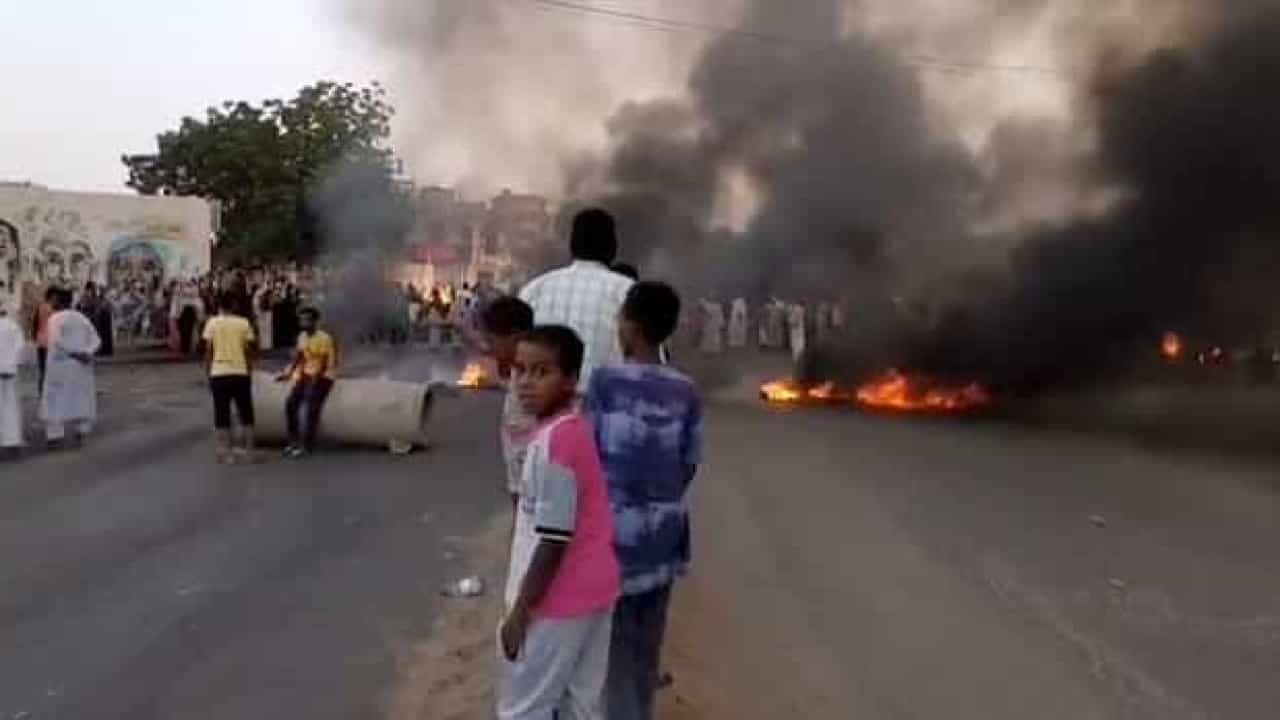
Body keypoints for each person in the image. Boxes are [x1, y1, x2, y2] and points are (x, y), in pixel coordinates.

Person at [585, 282, 702, 720]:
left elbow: (588, 454)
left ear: (630, 328)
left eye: (620, 320)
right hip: (664, 536)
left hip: (613, 537)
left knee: (612, 655)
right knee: (646, 649)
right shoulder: (685, 390)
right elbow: (689, 462)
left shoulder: (606, 381)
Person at [497, 325, 619, 720]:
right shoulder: (571, 429)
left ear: (569, 379)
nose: (527, 383)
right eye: (520, 370)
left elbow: (553, 539)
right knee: (581, 705)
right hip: (595, 591)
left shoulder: (555, 443)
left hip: (556, 602)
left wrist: (520, 614)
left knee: (523, 708)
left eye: (542, 372)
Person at [519, 208, 634, 392]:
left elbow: (516, 359)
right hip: (602, 409)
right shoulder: (627, 292)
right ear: (612, 246)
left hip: (542, 411)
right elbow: (650, 363)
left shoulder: (534, 289)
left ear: (572, 244)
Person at [481, 297, 538, 513]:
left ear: (515, 337)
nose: (489, 347)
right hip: (519, 483)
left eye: (493, 340)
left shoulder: (535, 380)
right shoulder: (516, 373)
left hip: (534, 487)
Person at [40, 288, 101, 449]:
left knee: (54, 400)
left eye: (50, 300)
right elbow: (96, 340)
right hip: (81, 366)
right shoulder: (82, 318)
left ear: (56, 300)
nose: (49, 304)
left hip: (61, 365)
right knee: (81, 399)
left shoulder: (55, 319)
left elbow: (56, 341)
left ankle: (54, 436)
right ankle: (81, 432)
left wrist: (75, 354)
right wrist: (86, 353)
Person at [203, 291, 257, 464]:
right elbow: (248, 349)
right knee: (246, 413)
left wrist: (207, 372)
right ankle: (249, 451)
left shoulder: (212, 323)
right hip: (240, 372)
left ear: (219, 305)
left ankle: (225, 452)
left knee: (222, 414)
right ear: (234, 305)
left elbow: (209, 350)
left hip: (219, 372)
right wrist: (249, 369)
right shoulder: (243, 323)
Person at [277, 307, 338, 459]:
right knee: (290, 404)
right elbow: (300, 357)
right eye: (301, 319)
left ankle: (307, 445)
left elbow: (324, 363)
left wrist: (313, 382)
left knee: (312, 406)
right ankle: (293, 441)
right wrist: (289, 373)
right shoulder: (302, 336)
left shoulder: (324, 338)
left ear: (314, 322)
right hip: (307, 374)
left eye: (307, 319)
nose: (303, 322)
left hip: (324, 376)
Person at [0, 300, 24, 457]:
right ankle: (12, 441)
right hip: (10, 371)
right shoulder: (14, 326)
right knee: (11, 406)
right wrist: (11, 365)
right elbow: (20, 348)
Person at [32, 287, 56, 393]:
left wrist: (34, 337)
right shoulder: (52, 309)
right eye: (55, 297)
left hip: (40, 341)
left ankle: (41, 390)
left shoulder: (40, 307)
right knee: (49, 368)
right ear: (51, 296)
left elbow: (35, 323)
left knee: (42, 368)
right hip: (49, 342)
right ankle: (47, 390)